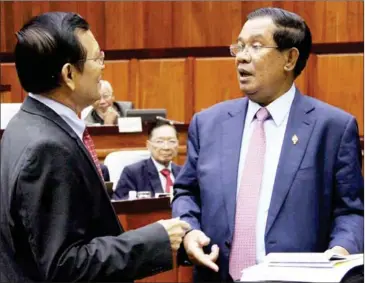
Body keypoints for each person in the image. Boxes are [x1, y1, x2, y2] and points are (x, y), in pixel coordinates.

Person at [171, 7, 364, 282]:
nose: (242, 57)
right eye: (238, 47)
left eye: (256, 46)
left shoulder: (332, 128)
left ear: (290, 58)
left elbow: (351, 209)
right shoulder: (208, 123)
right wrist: (189, 231)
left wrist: (340, 251)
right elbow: (186, 192)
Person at [0, 12, 190, 282]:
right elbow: (65, 267)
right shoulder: (47, 148)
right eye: (97, 58)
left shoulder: (25, 123)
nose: (103, 67)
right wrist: (156, 238)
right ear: (68, 74)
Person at [113, 120, 181, 200]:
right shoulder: (133, 173)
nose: (166, 147)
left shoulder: (184, 173)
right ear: (148, 145)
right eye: (159, 141)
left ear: (178, 144)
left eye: (172, 141)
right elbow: (121, 206)